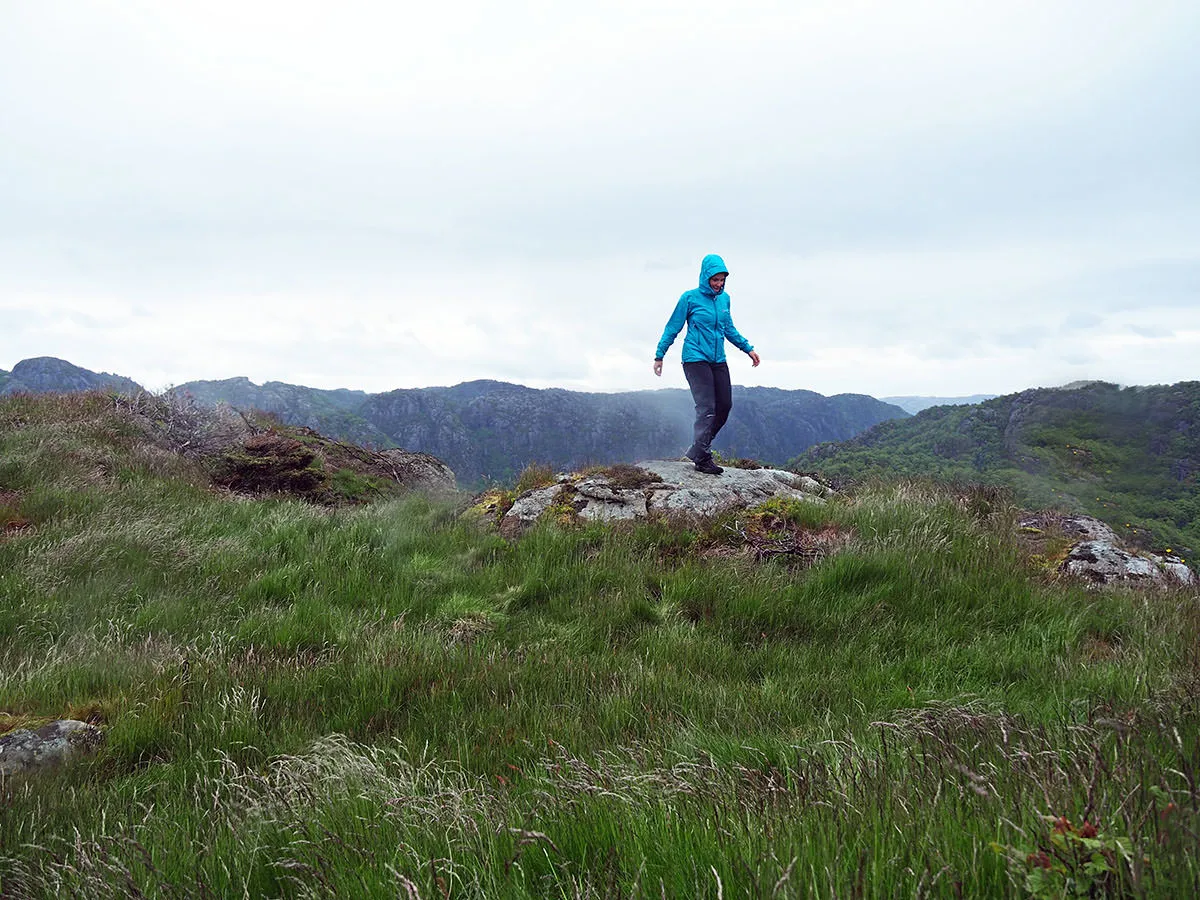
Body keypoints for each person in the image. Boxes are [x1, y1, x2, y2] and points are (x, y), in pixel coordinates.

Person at [653, 254, 760, 475]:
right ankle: (702, 458)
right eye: (715, 280)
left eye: (722, 280)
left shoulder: (724, 299)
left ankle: (698, 448)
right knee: (707, 408)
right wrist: (659, 355)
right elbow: (673, 327)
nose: (719, 284)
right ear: (705, 277)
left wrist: (747, 348)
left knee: (725, 406)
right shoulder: (689, 298)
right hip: (695, 358)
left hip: (718, 359)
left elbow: (728, 328)